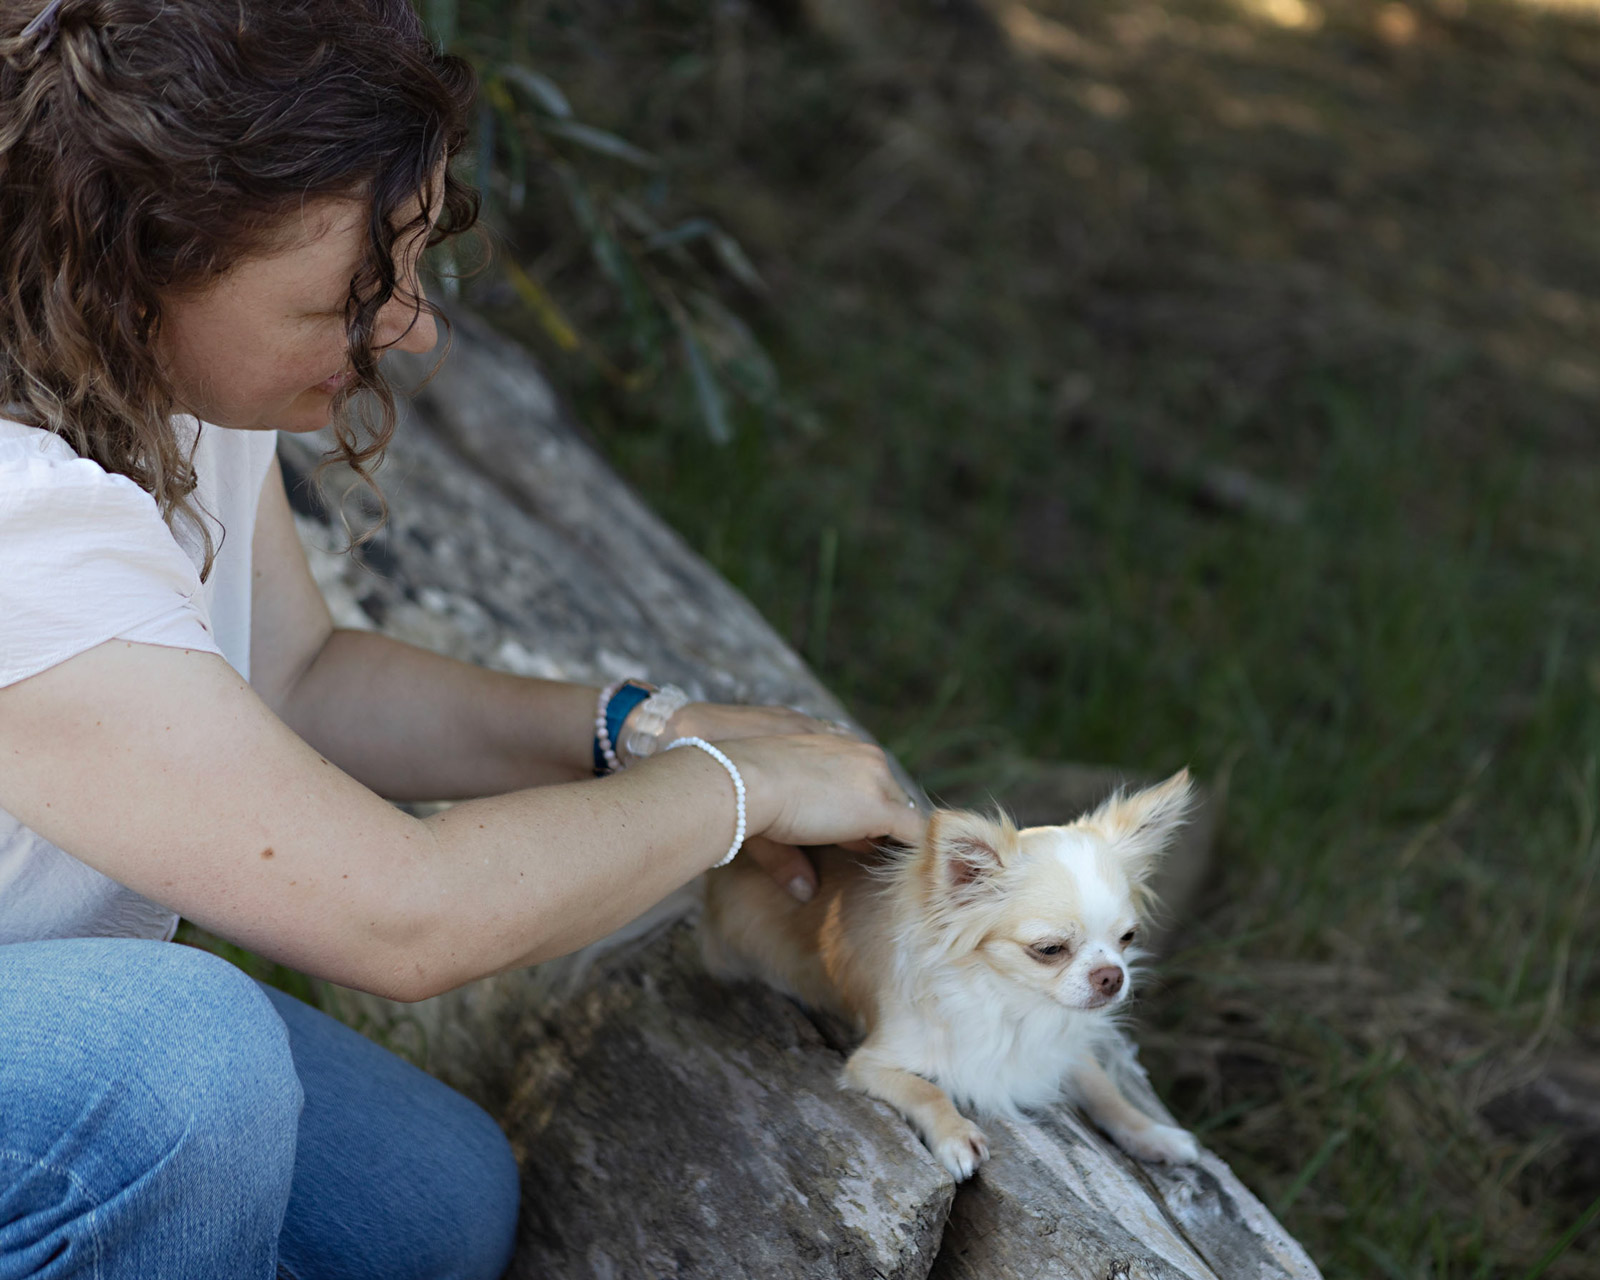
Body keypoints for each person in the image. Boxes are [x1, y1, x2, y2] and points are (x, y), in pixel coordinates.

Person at [0, 1, 926, 1276]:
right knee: (178, 1072)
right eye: (350, 294)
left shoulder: (146, 370)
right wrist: (727, 790)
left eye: (413, 262)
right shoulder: (18, 512)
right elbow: (403, 918)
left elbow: (296, 675)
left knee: (429, 1200)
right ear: (135, 258)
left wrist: (632, 731)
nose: (411, 326)